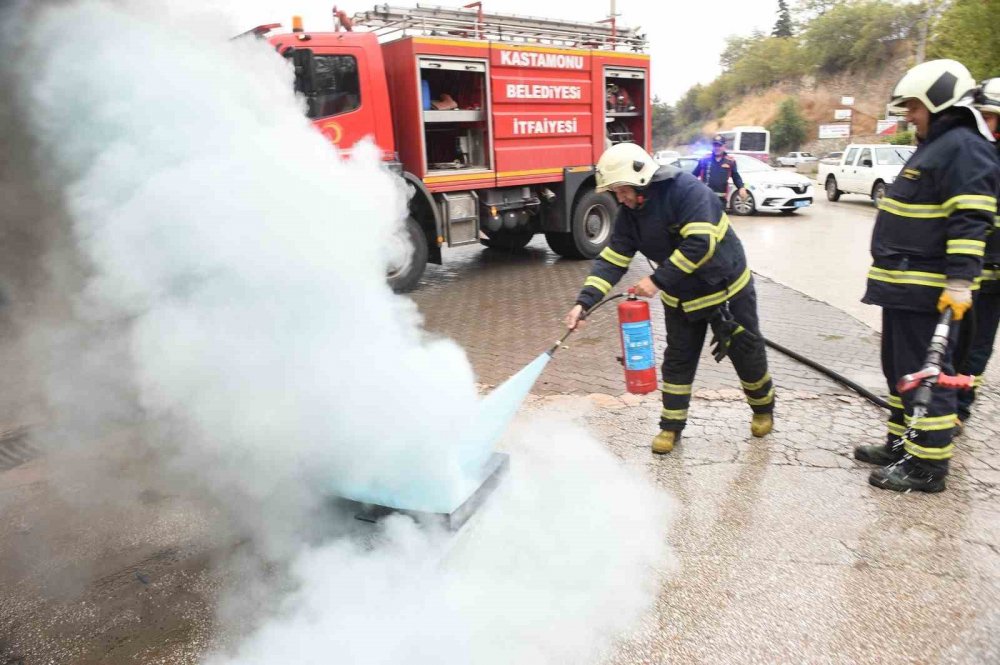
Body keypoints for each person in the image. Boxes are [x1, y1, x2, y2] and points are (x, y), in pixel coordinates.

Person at [564, 142, 774, 454]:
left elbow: (700, 244)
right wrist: (585, 302)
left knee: (746, 352)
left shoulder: (687, 192)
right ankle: (671, 426)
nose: (619, 199)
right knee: (677, 361)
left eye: (622, 190)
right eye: (615, 192)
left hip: (727, 290)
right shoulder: (630, 213)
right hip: (683, 297)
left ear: (641, 179)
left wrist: (656, 280)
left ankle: (762, 409)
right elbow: (612, 259)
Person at [854, 59, 1000, 493]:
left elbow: (970, 219)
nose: (909, 116)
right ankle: (902, 444)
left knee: (926, 376)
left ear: (939, 103)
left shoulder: (963, 147)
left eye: (914, 107)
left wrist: (960, 283)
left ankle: (927, 467)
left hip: (929, 290)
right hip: (903, 286)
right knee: (899, 371)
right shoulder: (937, 144)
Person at [957, 78, 1000, 427]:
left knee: (977, 345)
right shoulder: (975, 152)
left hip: (992, 274)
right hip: (967, 268)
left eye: (990, 117)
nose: (983, 124)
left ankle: (960, 407)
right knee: (954, 343)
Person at [692, 134, 748, 208]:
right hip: (705, 198)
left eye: (719, 145)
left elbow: (735, 176)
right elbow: (694, 175)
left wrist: (741, 187)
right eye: (715, 145)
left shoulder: (730, 161)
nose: (717, 148)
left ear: (724, 146)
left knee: (720, 219)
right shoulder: (704, 159)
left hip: (721, 200)